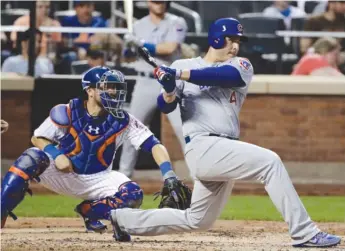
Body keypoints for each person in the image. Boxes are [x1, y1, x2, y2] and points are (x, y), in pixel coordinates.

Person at [108, 18, 342, 248]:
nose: (236, 45)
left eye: (238, 40)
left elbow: (223, 77)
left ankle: (123, 219)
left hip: (223, 150)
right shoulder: (181, 66)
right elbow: (166, 106)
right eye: (231, 40)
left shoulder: (240, 65)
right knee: (270, 163)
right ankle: (305, 232)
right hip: (202, 146)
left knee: (197, 220)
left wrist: (178, 75)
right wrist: (169, 89)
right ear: (217, 38)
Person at [1, 66, 191, 232]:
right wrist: (55, 154)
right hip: (61, 172)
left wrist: (169, 175)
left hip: (98, 177)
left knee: (133, 195)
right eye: (107, 87)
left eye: (115, 87)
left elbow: (154, 145)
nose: (113, 91)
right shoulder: (68, 110)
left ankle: (89, 211)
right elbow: (37, 138)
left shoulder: (123, 119)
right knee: (31, 157)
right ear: (90, 91)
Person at [119, 0, 188, 178]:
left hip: (169, 82)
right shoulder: (138, 25)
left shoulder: (177, 22)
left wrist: (141, 44)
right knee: (131, 130)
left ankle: (199, 175)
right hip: (145, 81)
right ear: (148, 3)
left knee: (183, 130)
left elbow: (169, 48)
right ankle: (123, 178)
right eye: (155, 1)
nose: (160, 4)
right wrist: (128, 48)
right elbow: (127, 59)